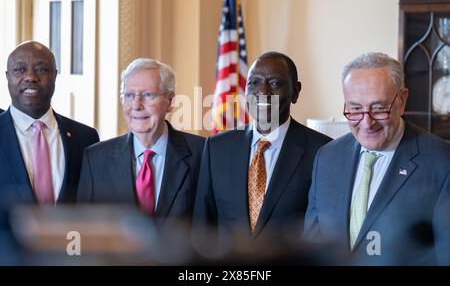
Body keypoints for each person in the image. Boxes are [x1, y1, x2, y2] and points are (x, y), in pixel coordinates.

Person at [303, 52, 450, 265]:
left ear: (402, 100)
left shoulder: (441, 162)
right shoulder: (327, 158)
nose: (367, 123)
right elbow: (311, 248)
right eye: (355, 109)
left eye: (379, 108)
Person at [193, 51, 332, 243]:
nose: (263, 92)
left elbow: (323, 233)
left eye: (275, 83)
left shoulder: (323, 151)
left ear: (296, 91)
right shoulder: (216, 149)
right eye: (254, 83)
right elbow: (202, 228)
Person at [77, 58, 205, 223]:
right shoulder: (95, 159)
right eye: (129, 95)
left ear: (170, 101)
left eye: (148, 95)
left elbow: (212, 228)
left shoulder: (202, 154)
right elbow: (85, 228)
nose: (136, 105)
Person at [0, 41, 99, 211]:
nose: (31, 77)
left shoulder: (86, 138)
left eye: (42, 69)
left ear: (55, 75)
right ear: (7, 76)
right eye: (20, 69)